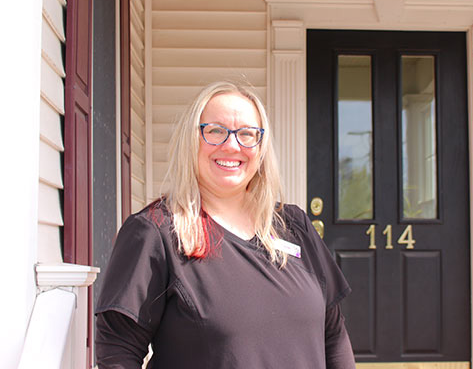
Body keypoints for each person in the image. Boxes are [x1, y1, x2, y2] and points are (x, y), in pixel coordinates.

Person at [95, 81, 355, 368]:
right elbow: (118, 350)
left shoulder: (294, 226)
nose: (232, 145)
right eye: (216, 131)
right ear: (191, 139)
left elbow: (333, 334)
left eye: (246, 134)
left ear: (261, 147)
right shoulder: (155, 232)